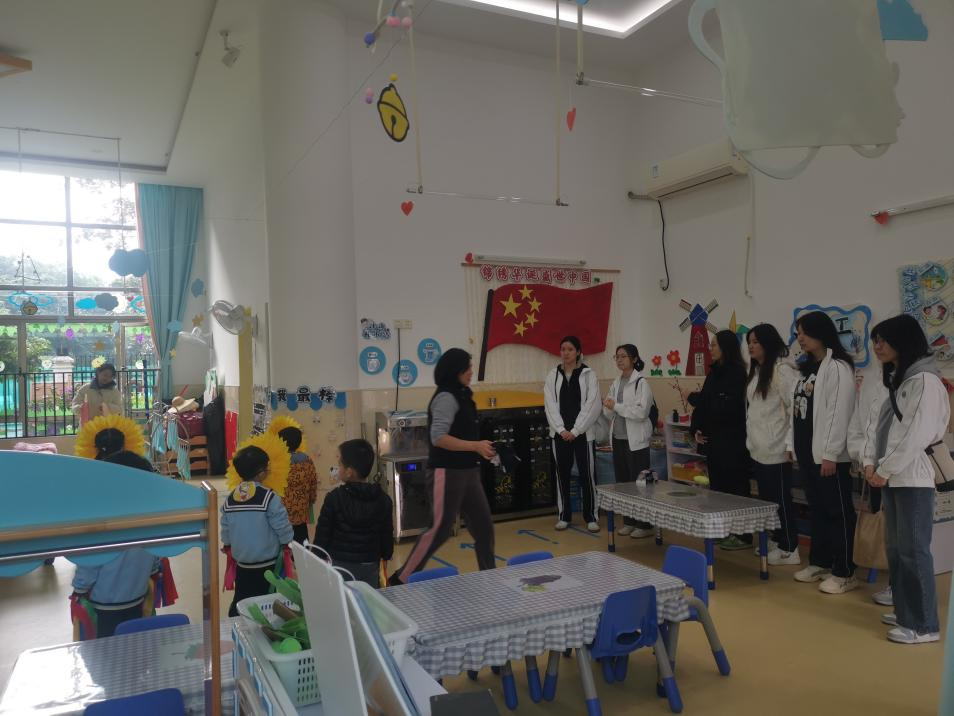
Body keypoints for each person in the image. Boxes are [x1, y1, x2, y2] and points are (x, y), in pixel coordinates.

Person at [862, 314, 948, 643]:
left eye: (883, 340)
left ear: (904, 341)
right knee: (897, 550)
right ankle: (905, 611)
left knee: (913, 551)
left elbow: (914, 434)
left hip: (912, 477)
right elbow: (882, 427)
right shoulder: (901, 379)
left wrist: (882, 469)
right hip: (894, 476)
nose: (877, 346)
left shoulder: (924, 381)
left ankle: (924, 625)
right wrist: (872, 464)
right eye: (875, 340)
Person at [389, 348, 496, 585]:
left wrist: (482, 448)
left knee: (484, 527)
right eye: (467, 367)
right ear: (455, 370)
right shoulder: (446, 397)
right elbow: (438, 437)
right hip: (446, 473)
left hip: (469, 473)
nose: (471, 372)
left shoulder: (463, 394)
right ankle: (400, 579)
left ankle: (490, 577)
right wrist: (475, 446)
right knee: (439, 529)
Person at [786, 311, 858, 594]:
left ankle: (844, 571)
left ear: (821, 332)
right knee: (816, 509)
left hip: (830, 457)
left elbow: (839, 414)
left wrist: (831, 453)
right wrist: (791, 446)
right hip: (808, 453)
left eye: (805, 332)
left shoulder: (838, 367)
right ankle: (820, 562)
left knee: (837, 511)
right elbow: (796, 412)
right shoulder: (805, 369)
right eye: (798, 333)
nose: (800, 338)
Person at [71, 426, 165, 639]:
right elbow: (155, 556)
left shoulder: (103, 521)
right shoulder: (148, 519)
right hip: (137, 597)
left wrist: (80, 588)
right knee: (135, 642)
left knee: (107, 648)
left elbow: (90, 562)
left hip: (104, 603)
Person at [690, 330, 750, 550]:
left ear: (726, 347)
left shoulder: (737, 373)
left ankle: (742, 535)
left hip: (733, 443)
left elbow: (726, 407)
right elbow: (705, 404)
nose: (710, 348)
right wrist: (696, 429)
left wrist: (697, 399)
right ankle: (723, 530)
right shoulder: (714, 371)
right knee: (718, 489)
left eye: (714, 345)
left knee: (736, 489)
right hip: (714, 442)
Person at [745, 324, 800, 565]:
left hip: (777, 446)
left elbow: (794, 408)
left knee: (781, 499)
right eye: (749, 342)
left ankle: (790, 547)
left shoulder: (782, 370)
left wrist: (790, 444)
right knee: (768, 499)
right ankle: (777, 540)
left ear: (768, 343)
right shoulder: (757, 371)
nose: (751, 346)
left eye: (756, 342)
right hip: (759, 447)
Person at [221, 444, 295, 616]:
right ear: (261, 473)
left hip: (242, 563)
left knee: (242, 597)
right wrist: (287, 543)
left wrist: (228, 545)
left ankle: (237, 620)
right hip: (267, 565)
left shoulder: (231, 498)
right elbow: (282, 525)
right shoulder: (269, 496)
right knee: (267, 601)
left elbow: (226, 529)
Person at [314, 439, 394, 588]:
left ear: (349, 472)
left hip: (340, 564)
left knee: (342, 598)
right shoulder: (383, 500)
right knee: (368, 597)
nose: (338, 468)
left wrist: (316, 557)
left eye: (340, 464)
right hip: (370, 563)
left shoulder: (334, 498)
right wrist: (386, 555)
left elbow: (323, 534)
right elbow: (386, 533)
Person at [544, 336, 603, 532]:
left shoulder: (588, 375)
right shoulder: (553, 375)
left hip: (583, 434)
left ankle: (591, 516)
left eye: (570, 349)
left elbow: (592, 405)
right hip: (560, 435)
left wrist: (576, 430)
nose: (566, 353)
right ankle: (564, 515)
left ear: (578, 352)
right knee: (562, 475)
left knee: (588, 475)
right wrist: (561, 430)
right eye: (563, 349)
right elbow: (550, 405)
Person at [602, 343, 655, 539]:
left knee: (640, 484)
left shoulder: (641, 382)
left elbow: (641, 413)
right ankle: (629, 521)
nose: (619, 360)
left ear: (634, 359)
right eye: (617, 356)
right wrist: (609, 406)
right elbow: (608, 412)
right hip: (618, 438)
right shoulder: (616, 382)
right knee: (623, 483)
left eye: (623, 356)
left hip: (636, 441)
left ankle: (645, 525)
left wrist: (616, 406)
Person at [272, 420, 319, 545]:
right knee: (301, 542)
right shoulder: (307, 460)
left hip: (281, 513)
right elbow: (313, 483)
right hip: (301, 511)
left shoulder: (276, 462)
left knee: (283, 545)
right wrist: (310, 500)